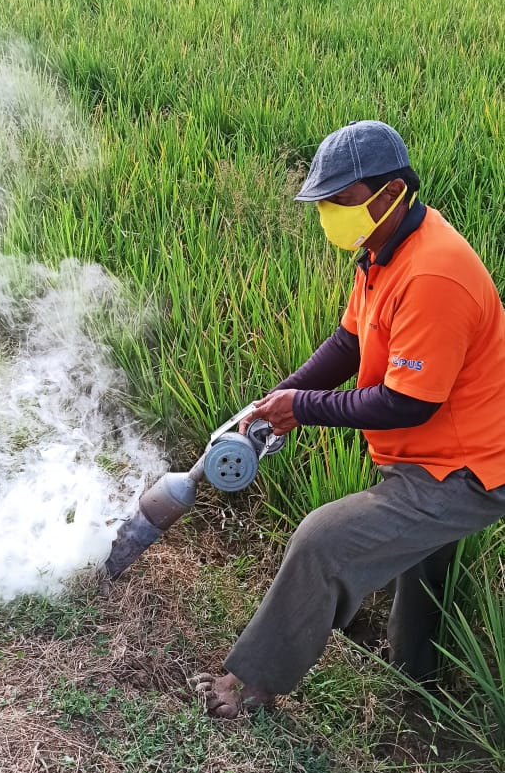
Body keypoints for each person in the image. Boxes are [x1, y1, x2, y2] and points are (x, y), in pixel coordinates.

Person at [195, 119, 505, 718]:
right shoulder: (385, 250)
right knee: (421, 558)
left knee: (323, 541)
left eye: (341, 200)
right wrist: (276, 399)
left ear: (390, 193)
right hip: (434, 450)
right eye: (325, 202)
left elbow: (407, 402)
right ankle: (419, 683)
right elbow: (347, 343)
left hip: (470, 467)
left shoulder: (434, 274)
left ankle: (251, 684)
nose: (331, 213)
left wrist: (303, 409)